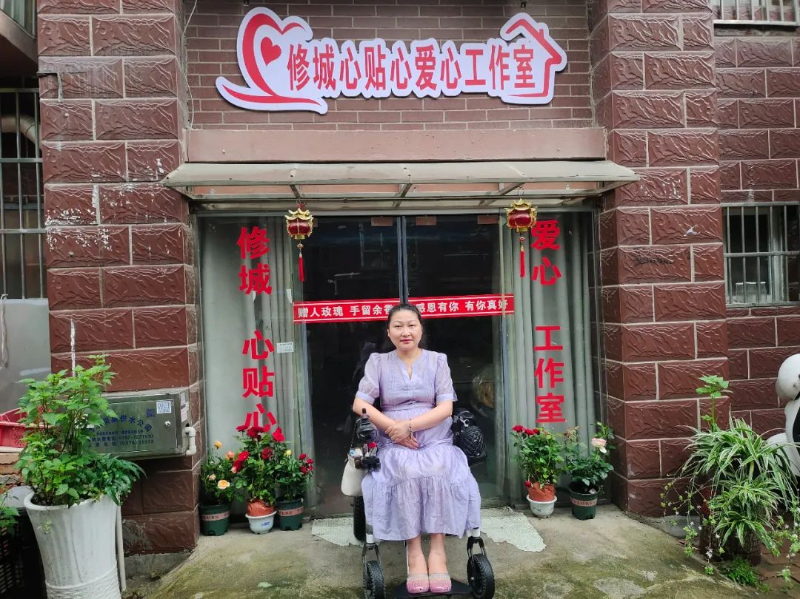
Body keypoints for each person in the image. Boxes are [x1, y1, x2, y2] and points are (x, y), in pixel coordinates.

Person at [352, 303, 481, 595]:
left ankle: (437, 550)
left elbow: (446, 408)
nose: (405, 332)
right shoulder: (378, 362)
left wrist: (409, 426)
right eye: (398, 326)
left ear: (421, 329)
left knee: (439, 469)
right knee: (406, 470)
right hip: (392, 439)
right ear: (389, 332)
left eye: (411, 325)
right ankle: (413, 551)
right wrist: (393, 429)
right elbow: (360, 404)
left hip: (434, 437)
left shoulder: (437, 361)